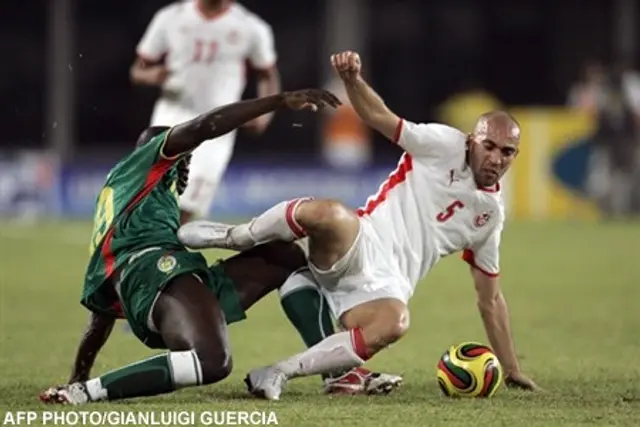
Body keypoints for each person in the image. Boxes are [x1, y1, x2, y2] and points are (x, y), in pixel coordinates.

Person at [178, 51, 539, 400]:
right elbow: (382, 117)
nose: (495, 158)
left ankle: (280, 372)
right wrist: (352, 80)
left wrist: (510, 368)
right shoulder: (444, 144)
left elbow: (489, 299)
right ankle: (233, 236)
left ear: (514, 156)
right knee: (330, 214)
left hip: (386, 284)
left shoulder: (490, 215)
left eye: (506, 152)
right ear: (473, 140)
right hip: (362, 237)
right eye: (488, 145)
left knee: (396, 322)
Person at [39, 88, 400, 405]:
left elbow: (102, 312)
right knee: (212, 362)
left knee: (284, 256)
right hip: (156, 271)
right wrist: (277, 101)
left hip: (165, 275)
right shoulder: (150, 160)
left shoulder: (127, 197)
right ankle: (93, 393)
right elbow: (204, 126)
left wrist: (77, 373)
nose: (186, 168)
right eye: (183, 158)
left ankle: (336, 374)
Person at [131, 0, 281, 223]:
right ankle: (138, 249)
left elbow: (267, 75)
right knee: (152, 193)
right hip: (171, 116)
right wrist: (151, 75)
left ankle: (163, 252)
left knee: (189, 204)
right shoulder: (171, 17)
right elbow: (138, 70)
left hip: (218, 125)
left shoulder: (251, 26)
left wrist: (265, 115)